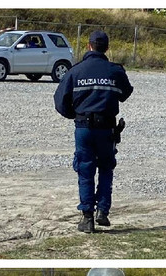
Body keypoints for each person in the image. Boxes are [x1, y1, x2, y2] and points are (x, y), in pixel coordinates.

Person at [54, 30, 133, 233]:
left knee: (85, 171)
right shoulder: (115, 71)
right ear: (107, 48)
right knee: (106, 168)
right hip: (107, 129)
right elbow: (126, 93)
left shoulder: (75, 71)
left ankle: (87, 217)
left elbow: (60, 102)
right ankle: (103, 212)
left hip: (84, 128)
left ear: (89, 46)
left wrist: (75, 115)